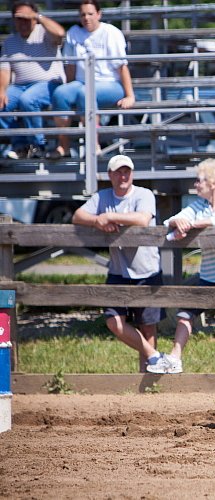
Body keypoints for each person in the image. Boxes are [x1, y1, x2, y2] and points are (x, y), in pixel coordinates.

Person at [148, 158, 215, 375]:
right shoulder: (198, 206)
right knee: (185, 312)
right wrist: (179, 222)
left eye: (199, 180)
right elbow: (171, 221)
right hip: (208, 276)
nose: (196, 185)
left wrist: (191, 225)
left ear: (213, 183)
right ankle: (175, 358)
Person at [71, 154, 166, 372]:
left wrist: (111, 218)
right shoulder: (102, 196)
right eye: (118, 172)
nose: (123, 176)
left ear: (132, 174)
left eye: (127, 171)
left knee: (148, 327)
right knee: (114, 321)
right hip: (118, 270)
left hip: (146, 270)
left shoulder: (144, 194)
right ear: (110, 175)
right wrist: (96, 221)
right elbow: (77, 216)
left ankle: (148, 381)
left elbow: (143, 219)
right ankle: (154, 357)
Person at [47, 0, 135, 159]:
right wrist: (69, 92)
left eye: (90, 14)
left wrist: (130, 96)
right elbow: (71, 67)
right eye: (83, 14)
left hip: (110, 84)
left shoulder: (111, 32)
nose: (86, 18)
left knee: (85, 93)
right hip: (82, 83)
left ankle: (93, 145)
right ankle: (63, 146)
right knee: (60, 93)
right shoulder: (73, 33)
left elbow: (122, 67)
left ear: (99, 14)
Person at [0, 1, 65, 160]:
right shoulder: (9, 42)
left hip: (50, 84)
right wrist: (1, 91)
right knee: (1, 103)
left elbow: (60, 33)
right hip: (20, 85)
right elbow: (4, 70)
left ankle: (38, 145)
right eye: (19, 18)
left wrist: (36, 16)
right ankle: (21, 145)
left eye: (26, 18)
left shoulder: (45, 33)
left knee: (27, 99)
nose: (23, 22)